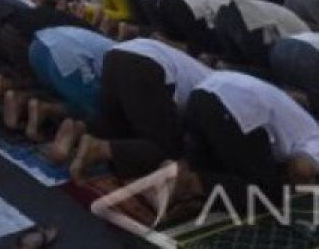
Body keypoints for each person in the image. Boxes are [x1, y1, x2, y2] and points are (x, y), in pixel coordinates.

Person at [63, 38, 213, 181]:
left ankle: (80, 129)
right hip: (146, 65)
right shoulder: (217, 90)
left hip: (117, 54)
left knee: (114, 128)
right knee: (168, 149)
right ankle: (99, 148)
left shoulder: (206, 73)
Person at [179, 71, 319, 204]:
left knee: (212, 169)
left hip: (202, 94)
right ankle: (189, 184)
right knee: (266, 194)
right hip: (236, 108)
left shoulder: (289, 111)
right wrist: (305, 185)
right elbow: (303, 169)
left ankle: (179, 186)